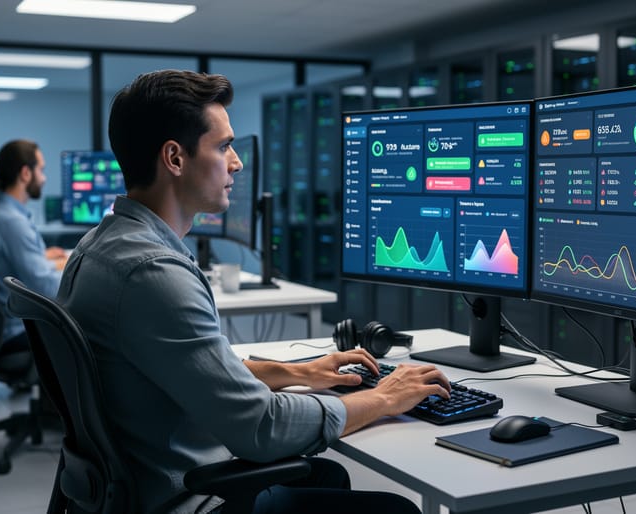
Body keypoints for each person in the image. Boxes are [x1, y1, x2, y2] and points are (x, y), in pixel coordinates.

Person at [58, 70, 451, 514]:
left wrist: (303, 372)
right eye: (223, 147)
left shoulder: (99, 247)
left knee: (328, 475)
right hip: (184, 499)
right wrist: (383, 398)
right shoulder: (153, 273)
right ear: (174, 158)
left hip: (132, 485)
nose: (237, 163)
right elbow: (260, 428)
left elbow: (202, 369)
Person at [0, 139, 67, 350]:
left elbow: (20, 266)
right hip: (21, 329)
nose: (44, 178)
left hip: (5, 324)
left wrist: (47, 259)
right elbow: (46, 287)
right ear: (26, 173)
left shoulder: (0, 215)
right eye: (41, 170)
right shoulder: (11, 223)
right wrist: (78, 269)